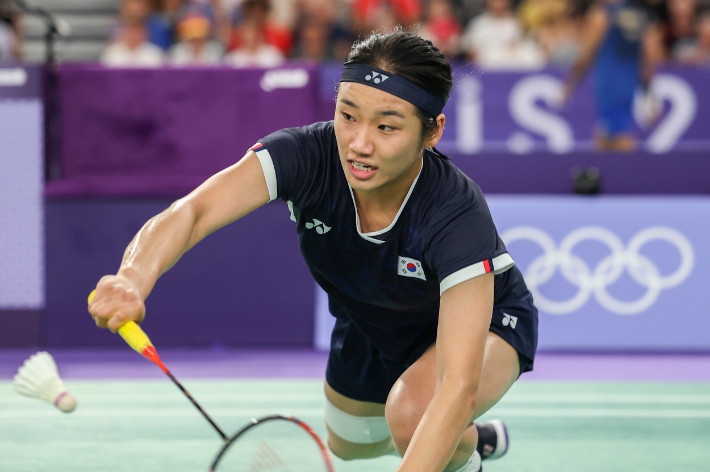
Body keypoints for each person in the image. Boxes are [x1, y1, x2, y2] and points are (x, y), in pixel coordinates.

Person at [88, 28, 538, 472]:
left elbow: (457, 384)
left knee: (414, 416)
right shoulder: (304, 156)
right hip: (373, 321)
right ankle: (476, 438)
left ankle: (465, 460)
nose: (359, 144)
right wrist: (131, 278)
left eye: (386, 126)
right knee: (351, 444)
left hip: (485, 322)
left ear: (432, 131)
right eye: (348, 115)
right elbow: (193, 212)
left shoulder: (455, 212)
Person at [560, 0, 665, 151]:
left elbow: (586, 56)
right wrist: (649, 93)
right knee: (607, 137)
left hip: (609, 86)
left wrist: (569, 84)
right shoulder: (641, 15)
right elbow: (648, 59)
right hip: (628, 87)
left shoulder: (602, 14)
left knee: (616, 140)